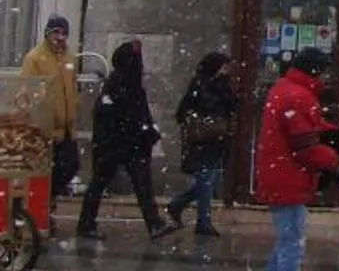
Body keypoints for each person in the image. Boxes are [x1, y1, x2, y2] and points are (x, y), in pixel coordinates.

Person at [251, 46, 339, 271]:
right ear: (315, 71)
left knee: (285, 245)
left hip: (279, 175)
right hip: (289, 179)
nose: (327, 78)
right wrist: (335, 160)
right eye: (325, 72)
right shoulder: (299, 96)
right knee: (291, 247)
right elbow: (305, 147)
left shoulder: (284, 88)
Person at [77, 39, 178, 241]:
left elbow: (136, 113)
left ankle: (153, 223)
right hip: (120, 144)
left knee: (134, 184)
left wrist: (146, 129)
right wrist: (144, 130)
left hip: (126, 143)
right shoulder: (120, 83)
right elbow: (126, 114)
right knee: (111, 183)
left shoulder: (125, 82)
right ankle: (88, 223)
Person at [166, 50, 238, 238]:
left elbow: (232, 105)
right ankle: (203, 222)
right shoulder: (201, 84)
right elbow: (185, 111)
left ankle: (178, 205)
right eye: (223, 66)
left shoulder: (224, 85)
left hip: (218, 138)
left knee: (209, 182)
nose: (226, 70)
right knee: (206, 180)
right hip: (203, 139)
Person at [20, 14, 81, 221]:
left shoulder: (70, 58)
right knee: (45, 171)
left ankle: (48, 201)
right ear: (47, 33)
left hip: (66, 128)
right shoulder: (35, 58)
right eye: (56, 32)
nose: (60, 37)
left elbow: (72, 88)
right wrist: (39, 119)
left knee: (71, 166)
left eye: (64, 33)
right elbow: (27, 92)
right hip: (45, 128)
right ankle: (40, 211)